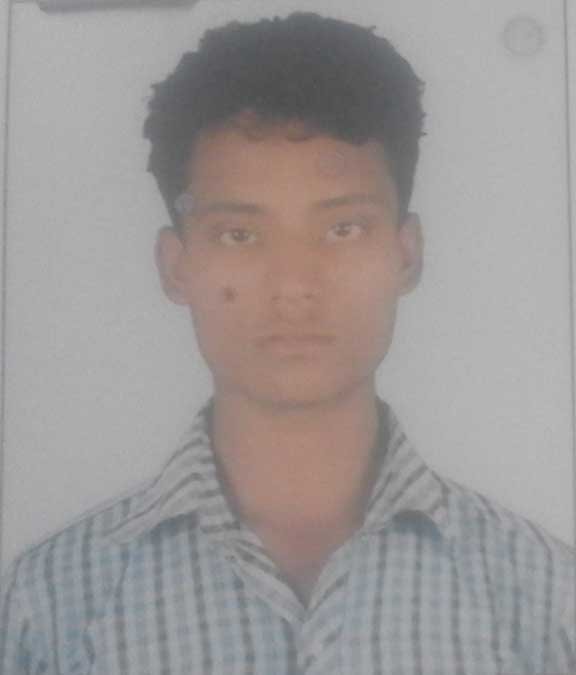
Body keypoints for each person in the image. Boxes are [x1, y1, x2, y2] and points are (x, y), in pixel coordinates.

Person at [1, 11, 574, 675]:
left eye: (343, 229)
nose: (294, 286)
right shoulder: (52, 606)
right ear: (176, 267)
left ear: (407, 254)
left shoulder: (544, 599)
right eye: (240, 235)